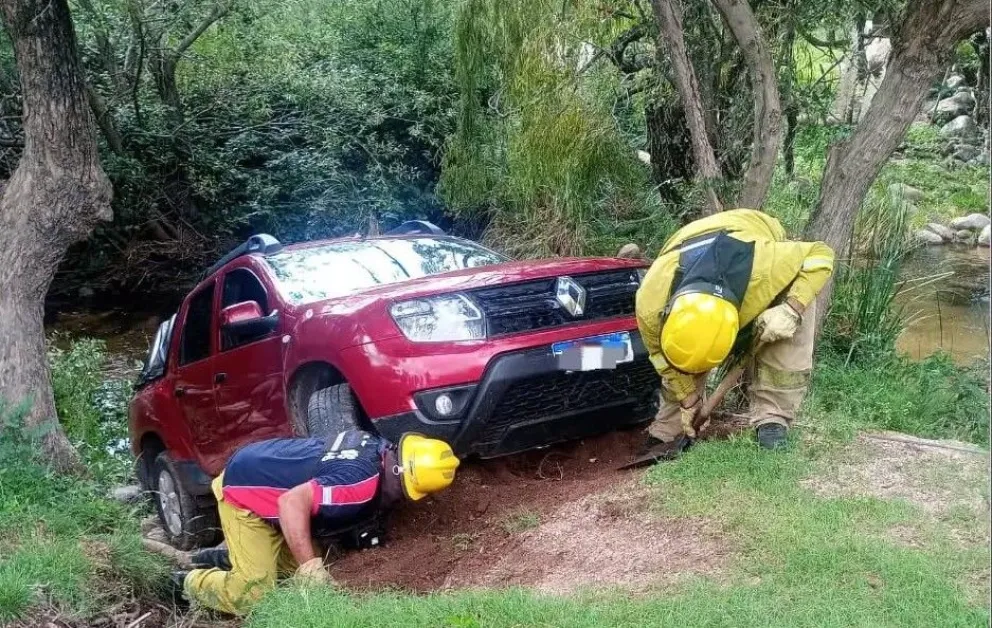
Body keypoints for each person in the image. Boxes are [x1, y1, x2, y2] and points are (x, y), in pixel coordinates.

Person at [174, 430, 459, 615]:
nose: (405, 500)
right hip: (244, 491)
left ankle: (229, 558)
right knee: (253, 594)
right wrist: (311, 569)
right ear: (400, 476)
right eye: (409, 493)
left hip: (262, 463)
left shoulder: (375, 445)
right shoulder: (361, 484)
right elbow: (290, 504)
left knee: (288, 570)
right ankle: (186, 583)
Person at [635, 209, 834, 459]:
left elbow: (820, 253)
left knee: (793, 320)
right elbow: (663, 360)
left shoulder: (765, 271)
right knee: (681, 365)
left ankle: (773, 420)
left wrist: (791, 309)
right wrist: (687, 399)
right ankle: (669, 427)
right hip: (685, 247)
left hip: (754, 237)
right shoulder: (649, 305)